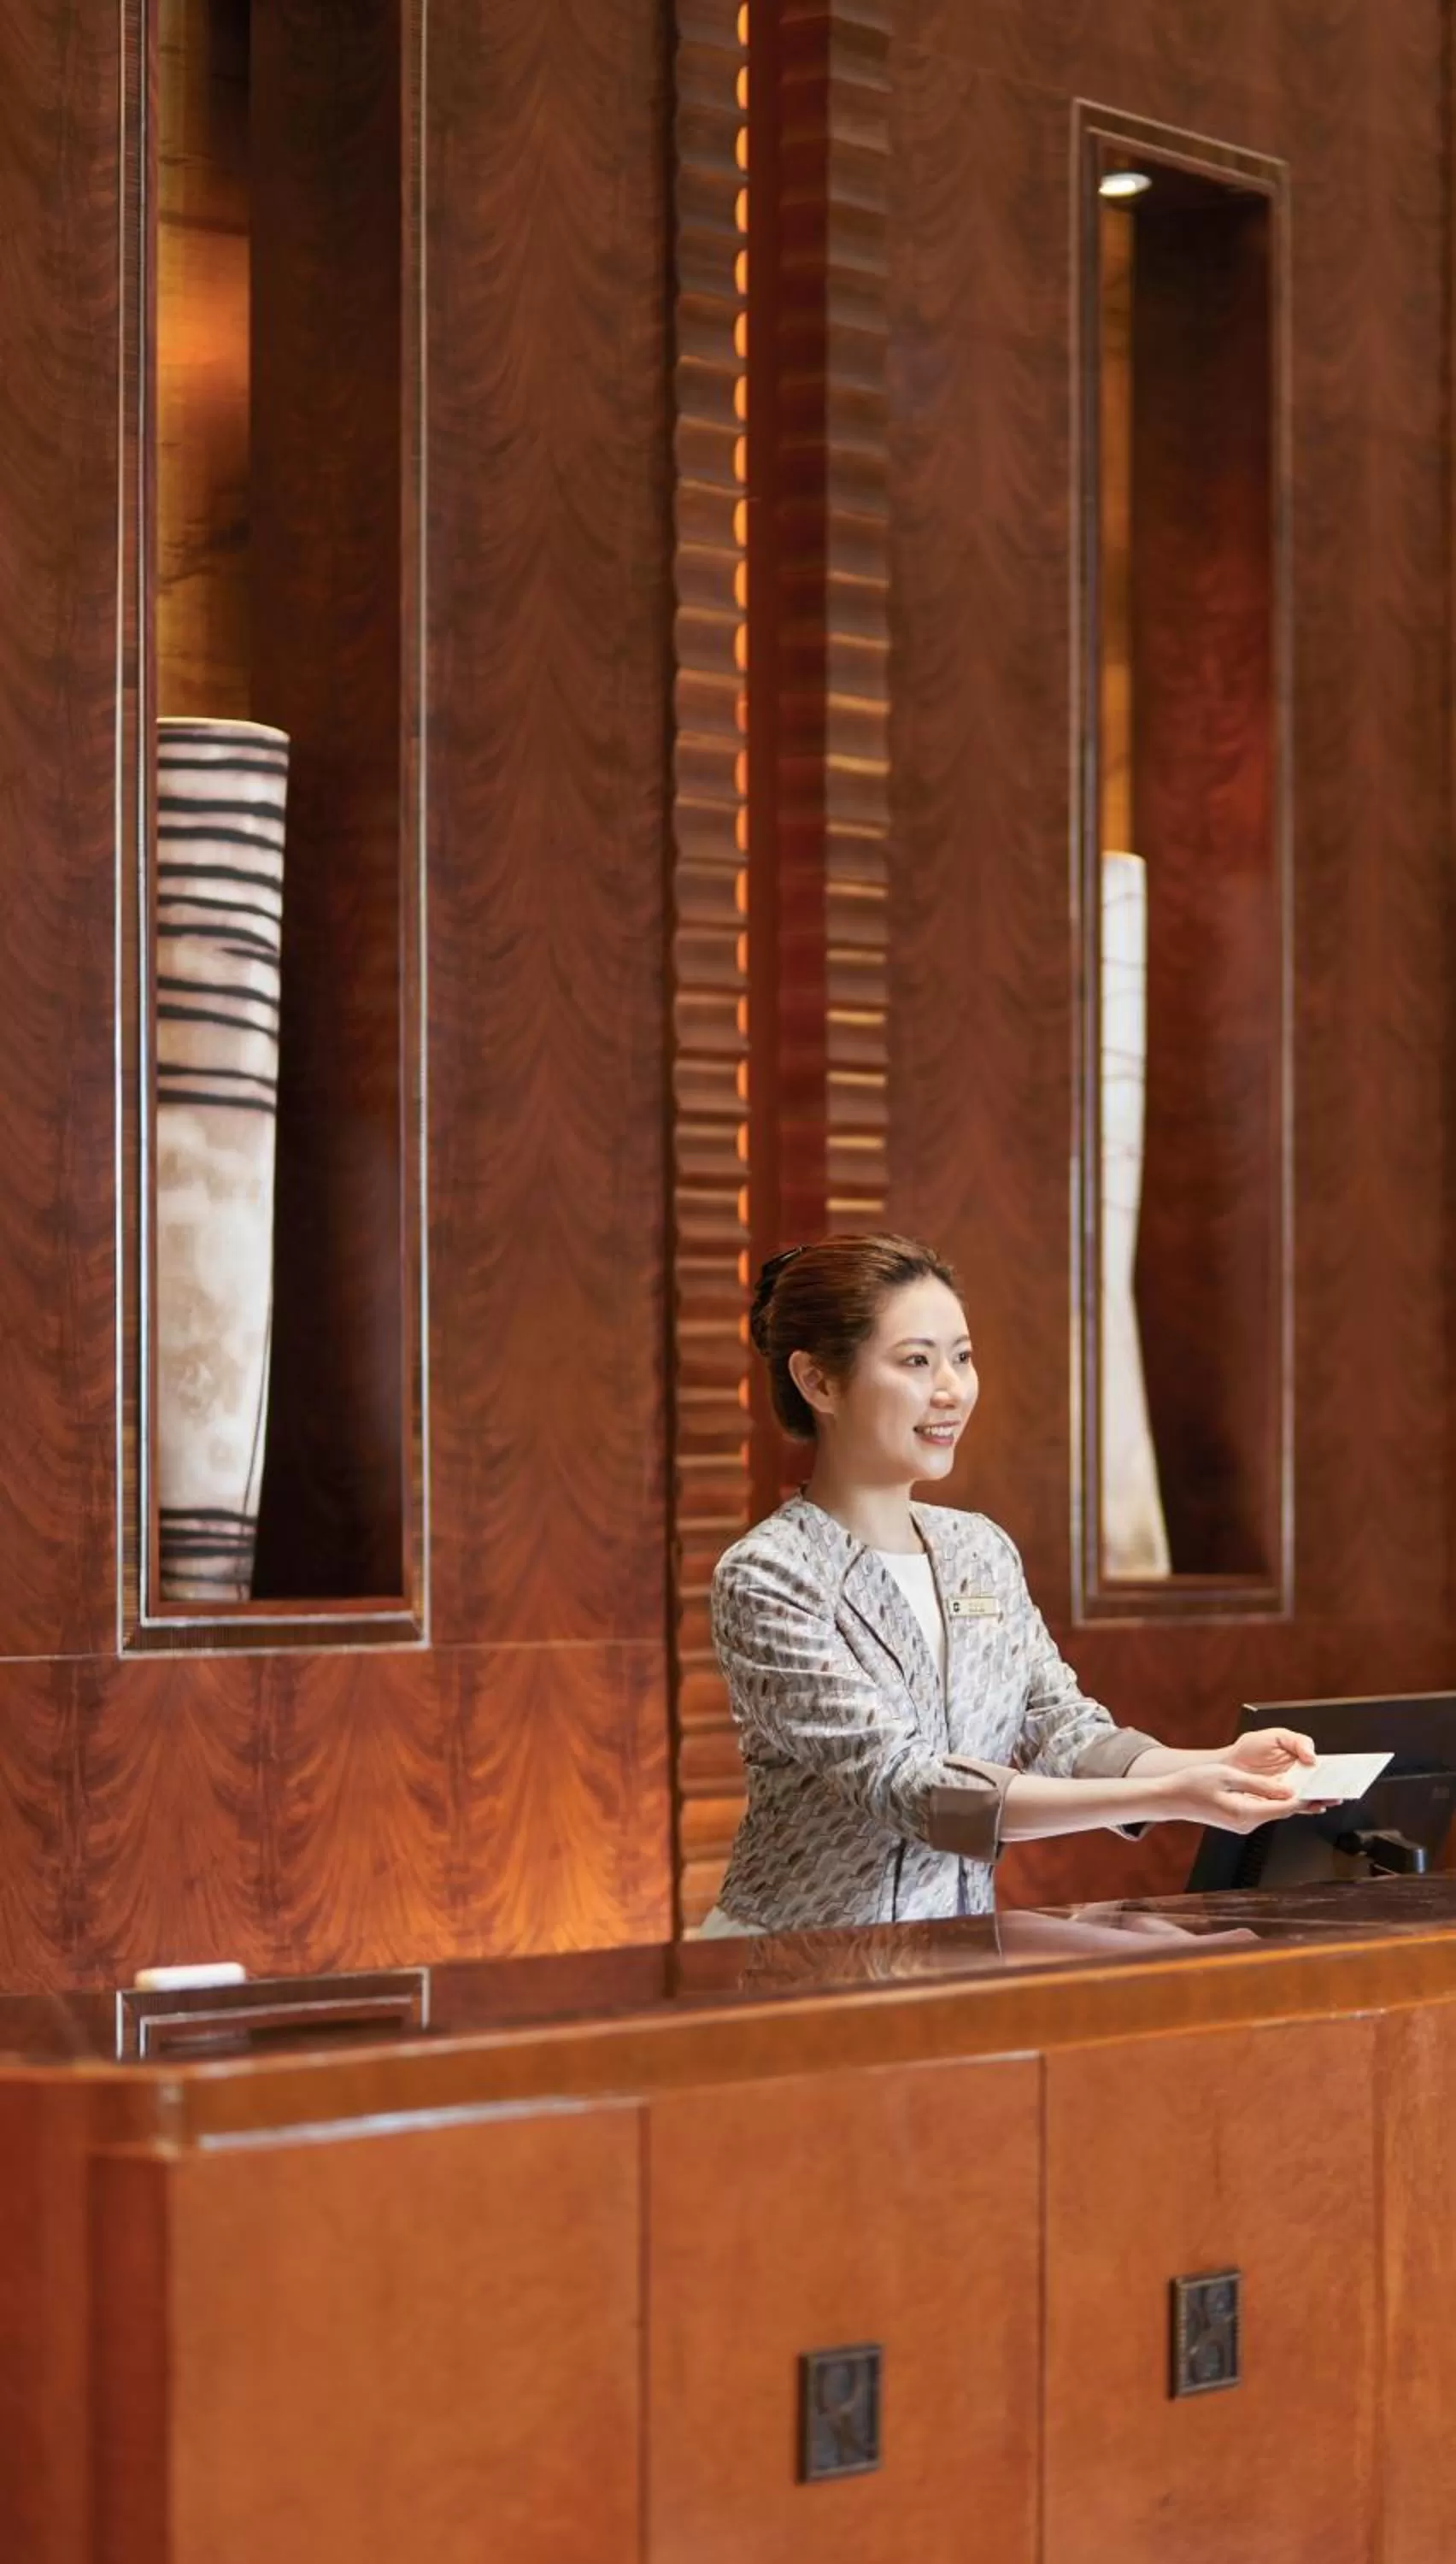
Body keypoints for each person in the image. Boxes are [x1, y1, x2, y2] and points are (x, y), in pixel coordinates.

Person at [702, 1234, 1318, 1935]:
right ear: (818, 1382)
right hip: (789, 1960)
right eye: (916, 1361)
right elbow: (910, 1785)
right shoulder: (769, 1575)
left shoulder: (979, 1550)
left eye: (962, 1357)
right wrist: (1174, 1795)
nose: (951, 1390)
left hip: (953, 1954)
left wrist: (1218, 1765)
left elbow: (1060, 1726)